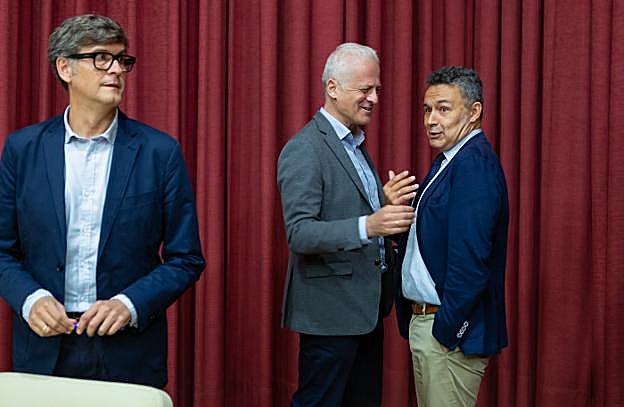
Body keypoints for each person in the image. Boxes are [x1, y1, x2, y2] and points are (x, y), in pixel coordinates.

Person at [0, 14, 205, 388]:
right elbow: (2, 250)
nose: (116, 70)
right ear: (65, 68)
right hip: (42, 350)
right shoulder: (22, 149)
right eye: (100, 58)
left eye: (121, 59)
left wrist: (128, 304)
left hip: (128, 352)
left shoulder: (160, 152)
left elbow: (186, 258)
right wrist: (30, 299)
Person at [277, 43, 416, 407]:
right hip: (330, 314)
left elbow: (348, 210)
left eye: (377, 90)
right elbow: (300, 233)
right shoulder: (305, 148)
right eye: (364, 89)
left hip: (367, 310)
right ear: (333, 88)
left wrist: (383, 205)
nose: (374, 99)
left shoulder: (354, 145)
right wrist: (370, 224)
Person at [392, 66, 509, 406]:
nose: (431, 120)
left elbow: (470, 262)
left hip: (448, 336)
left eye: (443, 109)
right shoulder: (449, 160)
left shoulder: (472, 165)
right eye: (427, 109)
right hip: (429, 325)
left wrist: (446, 332)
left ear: (474, 112)